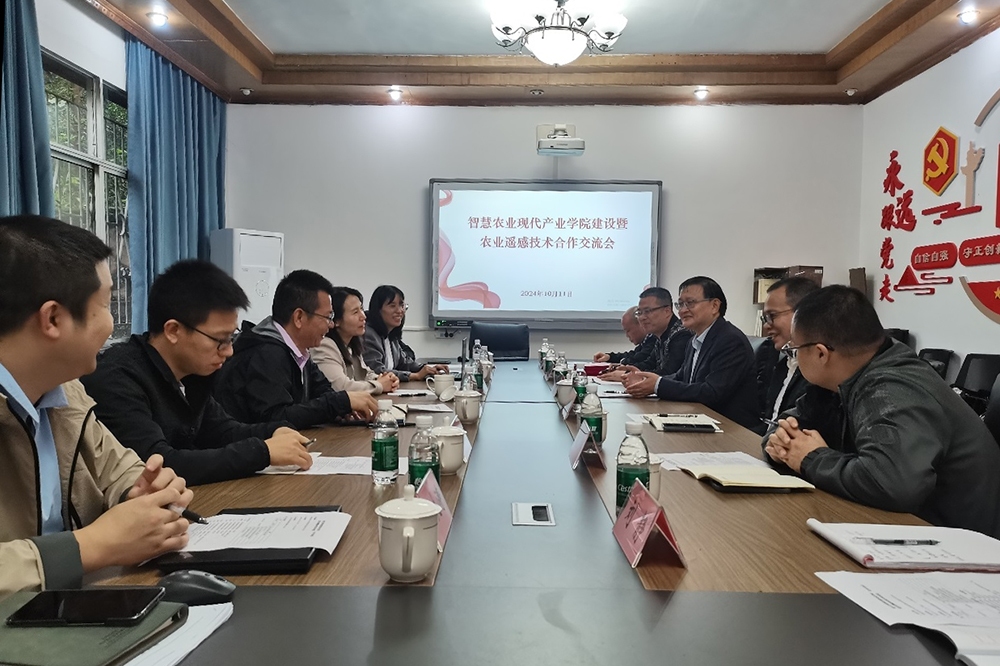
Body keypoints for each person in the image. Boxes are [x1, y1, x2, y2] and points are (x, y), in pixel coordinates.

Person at [0, 215, 193, 599]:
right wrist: (91, 546)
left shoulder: (64, 391)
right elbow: (93, 545)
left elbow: (121, 470)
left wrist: (144, 493)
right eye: (105, 304)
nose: (111, 323)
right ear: (53, 318)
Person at [764, 285, 1000, 537]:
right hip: (900, 527)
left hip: (958, 542)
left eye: (795, 350)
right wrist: (781, 443)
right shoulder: (840, 379)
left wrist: (811, 458)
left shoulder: (892, 388)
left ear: (821, 354)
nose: (794, 357)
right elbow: (785, 424)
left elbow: (894, 484)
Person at [82, 260, 314, 485]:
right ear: (173, 330)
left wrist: (275, 431)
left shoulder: (191, 372)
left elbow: (222, 430)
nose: (229, 351)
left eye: (231, 338)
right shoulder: (117, 377)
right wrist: (262, 452)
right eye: (220, 340)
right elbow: (157, 464)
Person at [214, 270, 378, 428]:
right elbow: (276, 417)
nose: (330, 324)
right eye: (327, 317)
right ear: (299, 317)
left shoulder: (300, 351)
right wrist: (338, 403)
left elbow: (323, 391)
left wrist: (343, 409)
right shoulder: (266, 353)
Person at [623, 277, 759, 430]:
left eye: (690, 303)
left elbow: (711, 393)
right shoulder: (695, 340)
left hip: (732, 430)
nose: (682, 310)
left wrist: (657, 385)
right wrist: (645, 380)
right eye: (680, 304)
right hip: (702, 422)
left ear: (714, 306)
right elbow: (681, 377)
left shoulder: (730, 340)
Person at [754, 277, 820, 431]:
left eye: (772, 316)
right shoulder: (783, 362)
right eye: (765, 318)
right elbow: (770, 422)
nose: (766, 325)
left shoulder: (819, 372)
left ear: (803, 313)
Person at [312, 287, 399, 395]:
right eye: (355, 312)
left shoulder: (351, 344)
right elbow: (341, 387)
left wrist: (386, 379)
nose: (363, 316)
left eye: (361, 309)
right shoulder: (324, 345)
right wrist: (380, 385)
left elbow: (366, 374)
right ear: (336, 320)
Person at [363, 285, 448, 382]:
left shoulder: (391, 334)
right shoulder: (368, 334)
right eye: (392, 306)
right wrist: (414, 376)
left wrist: (428, 369)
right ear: (378, 309)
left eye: (401, 305)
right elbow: (377, 371)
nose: (399, 311)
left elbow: (404, 363)